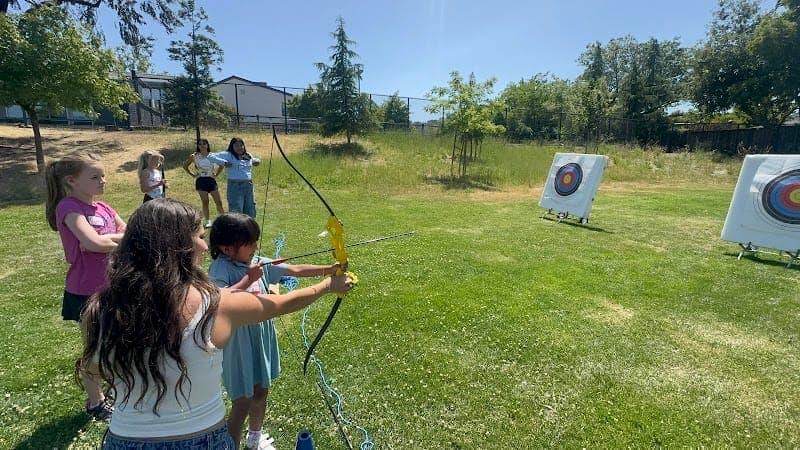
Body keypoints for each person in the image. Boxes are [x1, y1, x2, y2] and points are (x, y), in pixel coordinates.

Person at [75, 199, 354, 449]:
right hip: (201, 439)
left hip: (124, 441)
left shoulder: (100, 309)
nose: (204, 245)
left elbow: (93, 368)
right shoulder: (213, 304)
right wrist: (329, 285)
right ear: (178, 247)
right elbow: (278, 304)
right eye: (198, 236)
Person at [208, 213, 344, 450]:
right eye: (249, 243)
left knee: (261, 390)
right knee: (242, 401)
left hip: (260, 336)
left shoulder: (256, 261)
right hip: (238, 345)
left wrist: (330, 268)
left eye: (255, 241)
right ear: (227, 248)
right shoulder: (220, 269)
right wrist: (247, 280)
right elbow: (219, 301)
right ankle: (231, 446)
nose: (255, 247)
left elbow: (294, 269)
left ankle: (255, 437)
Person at [44, 153, 126, 421]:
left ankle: (115, 391)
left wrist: (102, 239)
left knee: (116, 341)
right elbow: (93, 244)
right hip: (85, 290)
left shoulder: (104, 207)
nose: (103, 180)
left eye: (103, 175)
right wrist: (102, 240)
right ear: (71, 180)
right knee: (95, 347)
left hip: (113, 286)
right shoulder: (68, 207)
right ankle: (95, 401)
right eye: (94, 177)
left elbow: (129, 232)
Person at [207, 137, 260, 218]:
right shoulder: (228, 155)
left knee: (250, 208)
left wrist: (256, 161)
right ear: (232, 146)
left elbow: (253, 160)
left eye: (241, 145)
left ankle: (249, 228)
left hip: (248, 185)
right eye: (236, 146)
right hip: (235, 186)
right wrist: (224, 162)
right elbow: (210, 156)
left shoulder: (247, 155)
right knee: (236, 209)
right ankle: (236, 229)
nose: (239, 147)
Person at [182, 138, 225, 228]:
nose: (202, 145)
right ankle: (208, 221)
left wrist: (216, 174)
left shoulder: (212, 155)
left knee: (219, 202)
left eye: (204, 144)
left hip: (211, 180)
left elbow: (221, 164)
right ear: (198, 146)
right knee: (205, 202)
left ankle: (223, 220)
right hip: (201, 180)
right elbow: (185, 165)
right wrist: (192, 174)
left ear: (207, 145)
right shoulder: (194, 156)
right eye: (200, 144)